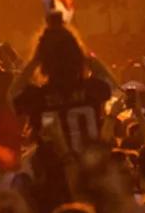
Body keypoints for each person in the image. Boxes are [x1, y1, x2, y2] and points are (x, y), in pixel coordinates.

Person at [10, 23, 113, 152]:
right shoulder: (90, 89)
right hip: (90, 166)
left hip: (53, 168)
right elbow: (110, 82)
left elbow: (12, 94)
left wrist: (35, 60)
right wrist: (86, 55)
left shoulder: (39, 96)